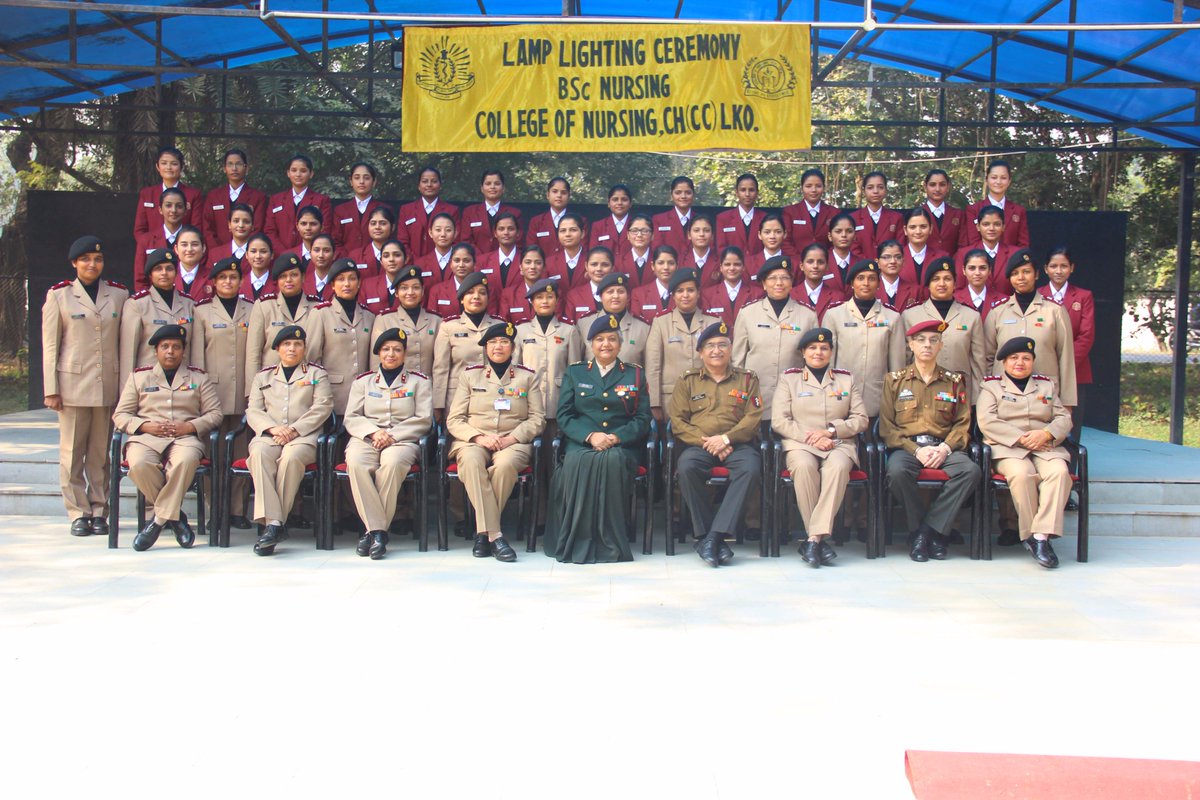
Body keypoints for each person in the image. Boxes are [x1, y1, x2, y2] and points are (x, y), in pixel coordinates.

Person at [543, 313, 651, 563]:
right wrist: (590, 436)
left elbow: (642, 418)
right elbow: (565, 415)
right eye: (600, 339)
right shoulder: (576, 373)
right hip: (582, 443)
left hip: (621, 446)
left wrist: (614, 437)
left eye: (612, 339)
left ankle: (610, 541)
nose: (606, 344)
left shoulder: (634, 375)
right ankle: (577, 538)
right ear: (591, 344)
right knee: (579, 462)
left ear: (620, 344)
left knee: (611, 461)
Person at [42, 236, 128, 537]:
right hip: (72, 387)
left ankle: (99, 509)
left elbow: (123, 343)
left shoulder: (118, 295)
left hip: (107, 385)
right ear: (74, 263)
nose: (93, 264)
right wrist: (51, 388)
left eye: (98, 259)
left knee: (100, 454)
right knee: (71, 452)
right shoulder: (59, 296)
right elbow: (51, 346)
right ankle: (78, 512)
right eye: (86, 259)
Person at [112, 324, 222, 551]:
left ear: (183, 351)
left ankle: (157, 521)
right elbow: (120, 415)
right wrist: (145, 426)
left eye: (176, 347)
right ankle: (176, 518)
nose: (170, 351)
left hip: (184, 439)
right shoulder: (139, 378)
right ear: (156, 351)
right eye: (165, 347)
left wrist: (190, 426)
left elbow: (215, 414)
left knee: (185, 462)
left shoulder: (198, 378)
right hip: (146, 438)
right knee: (139, 464)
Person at [879, 320, 980, 562]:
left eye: (933, 341)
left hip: (943, 447)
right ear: (910, 345)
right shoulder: (894, 380)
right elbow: (887, 427)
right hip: (908, 447)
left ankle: (926, 532)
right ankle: (924, 531)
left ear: (941, 346)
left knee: (970, 471)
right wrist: (916, 451)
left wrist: (944, 449)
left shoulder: (954, 381)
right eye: (921, 340)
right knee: (896, 471)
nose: (927, 345)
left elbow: (962, 423)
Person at [446, 322, 546, 562]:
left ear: (513, 347)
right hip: (474, 440)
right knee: (470, 462)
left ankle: (483, 535)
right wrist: (479, 437)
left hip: (512, 442)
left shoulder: (527, 377)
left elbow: (537, 419)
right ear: (485, 348)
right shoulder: (470, 376)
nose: (498, 347)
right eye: (492, 343)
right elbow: (455, 419)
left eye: (504, 342)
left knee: (503, 467)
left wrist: (512, 438)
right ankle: (494, 535)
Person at [668, 321, 764, 567]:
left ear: (730, 349)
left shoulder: (747, 379)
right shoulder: (688, 380)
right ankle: (708, 534)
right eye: (710, 346)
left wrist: (726, 439)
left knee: (751, 468)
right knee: (687, 467)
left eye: (722, 345)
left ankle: (713, 536)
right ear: (700, 352)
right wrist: (709, 442)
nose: (716, 350)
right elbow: (678, 421)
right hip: (699, 445)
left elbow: (753, 417)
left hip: (737, 445)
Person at [772, 327, 868, 567]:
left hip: (838, 443)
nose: (818, 352)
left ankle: (813, 538)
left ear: (831, 352)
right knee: (803, 467)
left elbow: (861, 419)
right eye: (812, 348)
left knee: (836, 468)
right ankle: (818, 539)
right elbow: (780, 421)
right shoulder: (789, 379)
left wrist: (831, 431)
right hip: (801, 443)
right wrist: (812, 437)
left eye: (824, 348)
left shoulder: (846, 379)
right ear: (803, 353)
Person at [976, 337, 1073, 569]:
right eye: (1014, 358)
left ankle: (1040, 536)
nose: (1020, 363)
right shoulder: (991, 386)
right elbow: (986, 420)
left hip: (1045, 446)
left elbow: (1063, 417)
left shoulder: (1046, 385)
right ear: (1004, 362)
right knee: (1022, 474)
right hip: (1008, 448)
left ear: (1033, 362)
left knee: (1059, 472)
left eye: (1026, 358)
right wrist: (1022, 438)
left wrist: (1047, 434)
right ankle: (1032, 535)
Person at [343, 328, 433, 560]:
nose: (391, 354)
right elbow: (352, 417)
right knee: (356, 463)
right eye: (385, 350)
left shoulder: (419, 382)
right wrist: (374, 433)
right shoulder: (363, 382)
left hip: (402, 441)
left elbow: (423, 419)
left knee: (391, 465)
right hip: (367, 439)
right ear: (378, 354)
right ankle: (378, 532)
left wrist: (392, 435)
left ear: (405, 354)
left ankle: (370, 532)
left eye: (396, 350)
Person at [245, 325, 334, 555]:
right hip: (270, 434)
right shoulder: (263, 376)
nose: (292, 348)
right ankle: (275, 525)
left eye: (297, 344)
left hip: (303, 437)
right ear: (277, 349)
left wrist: (294, 429)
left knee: (291, 458)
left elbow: (322, 407)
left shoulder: (316, 374)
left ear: (304, 348)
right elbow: (253, 410)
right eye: (286, 344)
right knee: (258, 455)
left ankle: (272, 525)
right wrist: (273, 429)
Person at [190, 257, 255, 529]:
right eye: (222, 278)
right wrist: (197, 394)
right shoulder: (202, 312)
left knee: (240, 452)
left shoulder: (252, 310)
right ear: (213, 283)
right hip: (212, 393)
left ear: (241, 281)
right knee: (212, 451)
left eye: (233, 277)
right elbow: (195, 358)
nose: (228, 281)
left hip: (243, 391)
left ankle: (237, 509)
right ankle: (214, 507)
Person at [983, 249, 1077, 407]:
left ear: (1037, 274)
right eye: (1015, 273)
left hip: (1044, 396)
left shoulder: (1055, 311)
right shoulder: (997, 312)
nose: (1020, 277)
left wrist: (1067, 404)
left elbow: (1066, 359)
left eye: (1026, 272)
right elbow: (987, 358)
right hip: (1004, 396)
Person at [731, 255, 818, 415]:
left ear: (791, 282)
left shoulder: (807, 315)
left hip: (795, 397)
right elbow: (738, 360)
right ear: (764, 283)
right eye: (772, 278)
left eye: (785, 278)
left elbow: (814, 361)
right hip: (755, 395)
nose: (779, 283)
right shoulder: (747, 313)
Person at [824, 259, 907, 419]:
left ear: (878, 284)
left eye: (872, 278)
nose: (866, 283)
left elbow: (897, 366)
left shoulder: (892, 317)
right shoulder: (834, 315)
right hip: (841, 396)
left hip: (877, 397)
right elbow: (827, 362)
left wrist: (895, 397)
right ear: (852, 283)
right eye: (860, 278)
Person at [901, 256, 986, 399]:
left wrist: (979, 399)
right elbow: (905, 360)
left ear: (954, 283)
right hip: (921, 392)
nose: (942, 283)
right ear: (928, 284)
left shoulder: (971, 316)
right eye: (936, 279)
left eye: (947, 278)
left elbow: (978, 363)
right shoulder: (910, 315)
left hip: (960, 392)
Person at [645, 269, 720, 424]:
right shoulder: (661, 322)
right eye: (680, 291)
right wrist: (654, 403)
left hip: (709, 398)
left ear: (699, 293)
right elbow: (653, 366)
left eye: (690, 290)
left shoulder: (713, 322)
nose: (685, 295)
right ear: (673, 295)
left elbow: (723, 364)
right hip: (671, 399)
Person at [431, 272, 505, 422]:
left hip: (492, 397)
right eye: (470, 292)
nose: (476, 297)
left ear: (488, 299)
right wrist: (438, 405)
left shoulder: (499, 325)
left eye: (482, 293)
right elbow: (441, 368)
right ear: (462, 299)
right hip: (457, 398)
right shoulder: (449, 327)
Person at [1039, 246, 1095, 443]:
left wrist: (1066, 366)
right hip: (1042, 370)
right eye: (1053, 266)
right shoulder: (1037, 295)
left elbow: (1086, 336)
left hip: (1076, 371)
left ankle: (1071, 470)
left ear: (1072, 268)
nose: (1058, 270)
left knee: (1071, 422)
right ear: (1045, 269)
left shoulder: (1083, 296)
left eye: (1064, 266)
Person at [307, 258, 377, 414]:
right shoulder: (321, 314)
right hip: (331, 394)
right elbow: (312, 359)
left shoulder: (369, 316)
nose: (347, 284)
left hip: (364, 396)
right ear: (332, 285)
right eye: (340, 279)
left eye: (352, 279)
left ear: (359, 283)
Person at [120, 248, 195, 390]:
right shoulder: (138, 304)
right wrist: (127, 392)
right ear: (150, 274)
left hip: (183, 383)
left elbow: (193, 349)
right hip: (148, 383)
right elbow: (128, 355)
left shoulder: (189, 304)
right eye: (158, 269)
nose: (164, 273)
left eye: (169, 268)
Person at [245, 253, 320, 376]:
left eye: (294, 275)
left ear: (303, 277)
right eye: (283, 276)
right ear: (277, 280)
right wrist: (253, 390)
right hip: (271, 382)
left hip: (307, 382)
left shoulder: (317, 307)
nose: (288, 280)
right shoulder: (264, 306)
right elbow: (253, 354)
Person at [370, 265, 441, 376]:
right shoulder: (384, 319)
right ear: (397, 293)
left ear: (422, 291)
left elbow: (440, 363)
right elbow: (376, 362)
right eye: (404, 288)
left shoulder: (436, 320)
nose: (410, 292)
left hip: (427, 387)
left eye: (416, 287)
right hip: (396, 388)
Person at [576, 272, 652, 367]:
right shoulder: (584, 324)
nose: (616, 296)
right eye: (610, 292)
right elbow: (576, 365)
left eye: (621, 291)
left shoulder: (643, 328)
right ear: (600, 297)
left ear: (628, 297)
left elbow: (649, 367)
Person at [200, 148, 267, 251]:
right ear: (224, 168)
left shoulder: (258, 197)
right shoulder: (213, 196)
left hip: (248, 254)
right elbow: (207, 228)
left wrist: (245, 249)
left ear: (246, 168)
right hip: (218, 253)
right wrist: (219, 251)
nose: (234, 168)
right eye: (230, 164)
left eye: (238, 164)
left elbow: (257, 228)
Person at [263, 154, 332, 252]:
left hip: (311, 256)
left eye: (303, 171)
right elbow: (270, 231)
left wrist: (304, 251)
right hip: (280, 257)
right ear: (288, 173)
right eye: (294, 170)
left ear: (311, 173)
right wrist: (284, 254)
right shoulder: (276, 200)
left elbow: (324, 231)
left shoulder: (321, 200)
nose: (298, 174)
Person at [133, 146, 201, 241]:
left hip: (183, 250)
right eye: (164, 163)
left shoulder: (193, 195)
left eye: (174, 164)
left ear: (182, 167)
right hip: (153, 250)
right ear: (157, 166)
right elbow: (140, 230)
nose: (168, 167)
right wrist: (148, 246)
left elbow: (196, 228)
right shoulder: (147, 194)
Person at [396, 165, 460, 261]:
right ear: (418, 186)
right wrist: (416, 261)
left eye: (434, 181)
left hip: (442, 264)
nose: (429, 185)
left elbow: (455, 241)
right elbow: (402, 242)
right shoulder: (406, 210)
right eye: (425, 181)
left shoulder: (452, 211)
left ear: (440, 185)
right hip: (412, 264)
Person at [133, 186, 188, 290]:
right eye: (168, 205)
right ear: (160, 210)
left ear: (185, 210)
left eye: (179, 206)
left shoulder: (192, 241)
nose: (173, 210)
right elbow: (140, 280)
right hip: (153, 301)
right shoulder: (146, 240)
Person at [966, 159, 1030, 248]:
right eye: (994, 177)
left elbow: (1023, 245)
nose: (998, 182)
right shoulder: (974, 210)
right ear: (987, 180)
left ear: (1009, 181)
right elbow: (973, 242)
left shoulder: (1018, 211)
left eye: (1003, 178)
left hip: (1012, 260)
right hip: (981, 260)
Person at [955, 205, 1016, 294]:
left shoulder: (1014, 253)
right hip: (971, 306)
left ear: (1003, 227)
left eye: (997, 224)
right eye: (986, 224)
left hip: (1007, 306)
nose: (991, 228)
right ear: (978, 227)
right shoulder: (964, 253)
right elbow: (959, 288)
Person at [459, 169, 522, 253]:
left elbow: (518, 242)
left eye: (497, 184)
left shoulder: (514, 213)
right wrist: (481, 259)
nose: (492, 187)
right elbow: (466, 241)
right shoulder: (470, 212)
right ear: (482, 188)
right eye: (488, 184)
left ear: (503, 188)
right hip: (476, 262)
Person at [701, 246, 763, 326]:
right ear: (721, 267)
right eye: (727, 264)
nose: (732, 268)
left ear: (743, 267)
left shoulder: (757, 294)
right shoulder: (708, 295)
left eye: (736, 264)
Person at [783, 168, 839, 256]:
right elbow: (785, 242)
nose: (813, 190)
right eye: (808, 186)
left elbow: (837, 243)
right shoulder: (790, 212)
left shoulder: (834, 213)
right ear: (802, 188)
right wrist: (801, 262)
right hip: (796, 265)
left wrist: (826, 260)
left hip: (826, 265)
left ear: (824, 188)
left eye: (818, 186)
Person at [850, 171, 905, 260]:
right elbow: (852, 248)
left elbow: (900, 246)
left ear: (886, 190)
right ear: (864, 191)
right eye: (870, 187)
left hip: (890, 266)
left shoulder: (896, 218)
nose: (875, 191)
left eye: (880, 187)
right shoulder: (853, 218)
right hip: (861, 268)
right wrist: (868, 265)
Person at [331, 161, 382, 255]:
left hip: (376, 263)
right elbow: (335, 241)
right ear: (351, 181)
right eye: (357, 178)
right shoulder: (340, 210)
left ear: (374, 182)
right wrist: (348, 259)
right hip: (346, 263)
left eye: (366, 178)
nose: (361, 182)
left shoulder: (383, 209)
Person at [715, 173, 767, 258]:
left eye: (751, 190)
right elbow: (721, 249)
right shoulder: (723, 219)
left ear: (757, 193)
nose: (747, 194)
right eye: (743, 190)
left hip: (760, 268)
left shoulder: (765, 219)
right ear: (737, 193)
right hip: (732, 268)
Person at [563, 246, 616, 323]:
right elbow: (567, 329)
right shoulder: (574, 296)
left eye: (605, 265)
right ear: (586, 266)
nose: (599, 269)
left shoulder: (619, 294)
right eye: (594, 264)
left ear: (612, 268)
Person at [524, 176, 576, 253]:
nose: (559, 195)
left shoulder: (579, 221)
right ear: (548, 195)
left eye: (563, 192)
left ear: (569, 196)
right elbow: (531, 251)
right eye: (554, 191)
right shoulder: (536, 222)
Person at [920, 169, 967, 255]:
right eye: (932, 185)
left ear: (948, 186)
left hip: (953, 265)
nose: (937, 189)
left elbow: (963, 245)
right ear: (925, 186)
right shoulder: (916, 215)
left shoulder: (958, 215)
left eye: (942, 184)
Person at [791, 243, 842, 321]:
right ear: (801, 266)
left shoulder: (838, 297)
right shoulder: (791, 295)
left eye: (820, 262)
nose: (815, 266)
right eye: (810, 261)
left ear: (827, 266)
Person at [898, 206, 948, 286]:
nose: (918, 231)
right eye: (912, 227)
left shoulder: (942, 257)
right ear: (905, 230)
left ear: (930, 229)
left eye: (923, 227)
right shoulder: (896, 258)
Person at [499, 245, 548, 325]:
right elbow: (504, 326)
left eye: (538, 263)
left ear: (544, 268)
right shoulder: (508, 294)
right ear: (521, 268)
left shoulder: (553, 294)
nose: (532, 267)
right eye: (528, 262)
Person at [629, 244, 679, 323]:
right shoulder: (638, 294)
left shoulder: (683, 293)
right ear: (652, 266)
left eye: (671, 263)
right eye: (660, 263)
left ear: (677, 266)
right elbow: (637, 325)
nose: (666, 267)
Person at [953, 249, 1006, 321]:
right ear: (963, 270)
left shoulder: (1002, 301)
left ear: (989, 270)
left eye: (982, 268)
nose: (977, 273)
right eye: (972, 268)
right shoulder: (955, 299)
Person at [359, 240, 409, 315]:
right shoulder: (368, 285)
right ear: (381, 261)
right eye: (386, 256)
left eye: (397, 255)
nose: (391, 259)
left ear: (406, 259)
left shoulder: (413, 285)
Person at [476, 212, 523, 288]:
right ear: (495, 233)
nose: (506, 233)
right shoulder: (482, 261)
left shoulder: (526, 260)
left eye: (510, 229)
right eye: (501, 229)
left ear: (518, 233)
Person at [875, 237, 923, 311]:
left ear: (903, 261)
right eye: (887, 257)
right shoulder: (871, 289)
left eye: (898, 257)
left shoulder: (915, 290)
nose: (893, 261)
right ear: (877, 262)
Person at [652, 176, 696, 254]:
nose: (683, 196)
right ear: (671, 195)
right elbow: (656, 249)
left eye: (688, 192)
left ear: (693, 195)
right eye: (678, 193)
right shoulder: (659, 220)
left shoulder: (701, 221)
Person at [545, 213, 590, 289]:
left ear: (582, 233)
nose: (567, 234)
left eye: (573, 230)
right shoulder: (549, 263)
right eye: (563, 230)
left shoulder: (592, 261)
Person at [351, 206, 396, 280]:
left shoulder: (401, 255)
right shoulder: (356, 256)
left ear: (393, 227)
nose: (377, 227)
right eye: (373, 223)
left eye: (383, 223)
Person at [207, 203, 256, 269]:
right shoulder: (215, 254)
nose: (241, 225)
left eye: (246, 222)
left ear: (252, 226)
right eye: (236, 221)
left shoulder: (258, 255)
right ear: (229, 224)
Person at [414, 212, 458, 284]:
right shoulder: (420, 264)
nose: (443, 234)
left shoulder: (461, 262)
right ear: (430, 232)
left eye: (448, 230)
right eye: (438, 230)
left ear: (455, 233)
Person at [589, 184, 633, 250]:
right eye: (615, 199)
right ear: (609, 203)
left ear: (630, 204)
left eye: (624, 199)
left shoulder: (637, 225)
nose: (619, 203)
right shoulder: (598, 226)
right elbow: (593, 253)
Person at [616, 213, 654, 286]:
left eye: (645, 231)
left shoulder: (659, 261)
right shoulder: (618, 262)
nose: (639, 235)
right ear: (628, 235)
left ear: (652, 235)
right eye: (634, 231)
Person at [172, 226, 209, 301]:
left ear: (203, 248)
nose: (189, 249)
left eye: (194, 244)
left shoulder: (212, 276)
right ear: (176, 249)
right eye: (184, 245)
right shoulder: (169, 275)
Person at [238, 233, 276, 301]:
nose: (258, 256)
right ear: (246, 254)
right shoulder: (239, 283)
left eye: (263, 251)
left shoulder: (278, 283)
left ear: (272, 255)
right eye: (253, 251)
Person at [681, 214, 716, 281]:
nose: (701, 234)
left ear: (712, 235)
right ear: (689, 235)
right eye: (696, 230)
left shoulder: (720, 260)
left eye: (706, 230)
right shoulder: (680, 260)